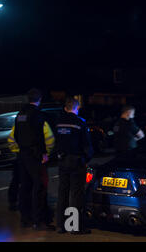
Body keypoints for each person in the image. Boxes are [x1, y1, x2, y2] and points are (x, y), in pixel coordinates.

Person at [9, 88, 56, 231]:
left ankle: (25, 219)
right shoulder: (37, 114)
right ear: (39, 99)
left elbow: (16, 135)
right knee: (40, 186)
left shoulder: (20, 114)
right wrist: (43, 153)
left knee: (25, 186)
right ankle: (39, 221)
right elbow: (39, 136)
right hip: (35, 155)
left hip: (22, 155)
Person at [55, 97, 93, 234]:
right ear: (77, 108)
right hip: (76, 162)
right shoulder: (80, 122)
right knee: (76, 195)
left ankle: (60, 225)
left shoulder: (58, 123)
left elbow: (55, 141)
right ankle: (74, 227)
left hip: (62, 161)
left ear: (66, 108)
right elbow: (87, 144)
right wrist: (86, 159)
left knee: (62, 193)